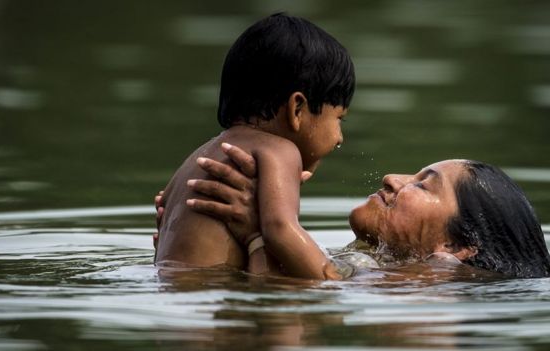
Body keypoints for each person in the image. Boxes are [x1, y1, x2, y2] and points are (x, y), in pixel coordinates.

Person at [155, 13, 355, 279]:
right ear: (297, 109)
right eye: (339, 118)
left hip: (169, 296)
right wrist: (329, 277)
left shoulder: (197, 158)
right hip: (214, 298)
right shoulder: (280, 151)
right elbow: (280, 229)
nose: (339, 137)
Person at [175, 144, 550, 279]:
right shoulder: (386, 271)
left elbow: (283, 308)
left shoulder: (427, 288)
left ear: (456, 246)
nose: (391, 178)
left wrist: (259, 233)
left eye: (422, 184)